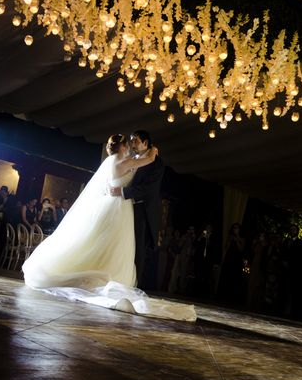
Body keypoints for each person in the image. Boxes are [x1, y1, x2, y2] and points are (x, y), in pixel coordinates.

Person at [22, 134, 196, 321]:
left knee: (107, 243)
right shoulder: (120, 163)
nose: (130, 146)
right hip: (117, 207)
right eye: (127, 143)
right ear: (121, 147)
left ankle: (105, 271)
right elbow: (149, 159)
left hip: (116, 206)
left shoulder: (115, 161)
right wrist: (153, 151)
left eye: (134, 141)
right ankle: (110, 276)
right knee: (114, 243)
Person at [108, 130, 165, 288]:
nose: (132, 144)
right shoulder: (133, 159)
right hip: (127, 209)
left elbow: (149, 189)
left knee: (139, 249)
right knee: (126, 245)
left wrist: (123, 192)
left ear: (146, 143)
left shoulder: (157, 162)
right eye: (131, 141)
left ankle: (134, 285)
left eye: (135, 141)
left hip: (143, 210)